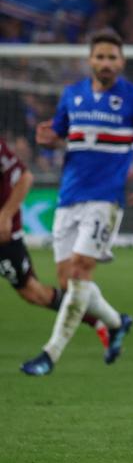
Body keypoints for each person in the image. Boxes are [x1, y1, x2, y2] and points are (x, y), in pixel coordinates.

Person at [20, 28, 133, 376]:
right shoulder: (71, 96)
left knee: (81, 270)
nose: (105, 63)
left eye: (111, 57)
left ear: (122, 61)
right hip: (69, 197)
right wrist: (48, 140)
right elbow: (62, 138)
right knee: (66, 282)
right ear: (90, 60)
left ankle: (50, 354)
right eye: (100, 56)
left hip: (106, 200)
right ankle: (117, 323)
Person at [0, 138, 109, 347]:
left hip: (4, 237)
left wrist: (5, 216)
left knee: (33, 293)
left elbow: (25, 177)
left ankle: (97, 320)